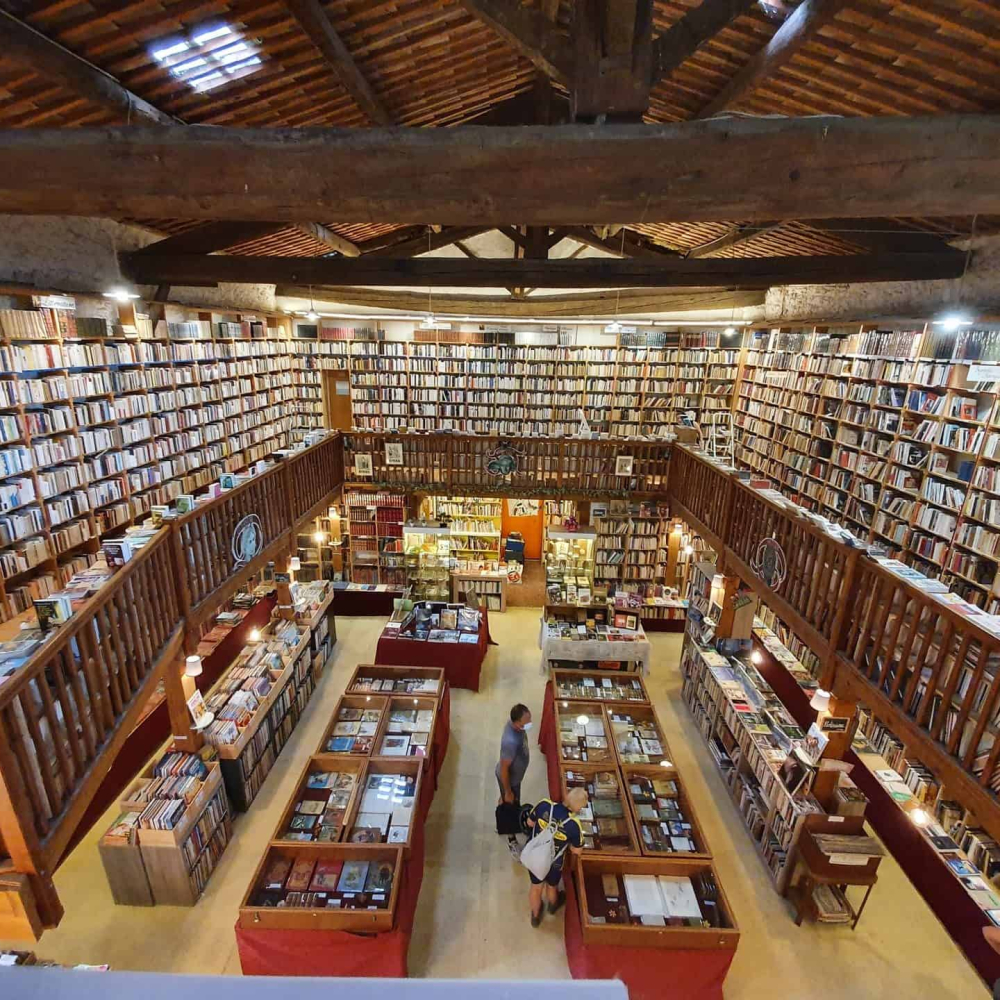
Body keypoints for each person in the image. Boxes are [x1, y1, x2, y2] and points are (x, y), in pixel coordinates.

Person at [524, 787, 588, 928]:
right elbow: (577, 850)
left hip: (535, 857)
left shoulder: (544, 805)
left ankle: (535, 917)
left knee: (535, 887)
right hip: (555, 862)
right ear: (579, 807)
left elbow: (529, 822)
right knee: (552, 886)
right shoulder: (573, 824)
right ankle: (553, 906)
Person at [496, 703, 532, 857]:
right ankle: (511, 839)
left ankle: (502, 803)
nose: (529, 724)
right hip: (510, 780)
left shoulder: (518, 727)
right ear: (516, 723)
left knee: (506, 801)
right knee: (511, 807)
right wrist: (508, 791)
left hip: (516, 777)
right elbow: (504, 769)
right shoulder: (510, 742)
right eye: (526, 722)